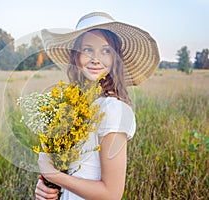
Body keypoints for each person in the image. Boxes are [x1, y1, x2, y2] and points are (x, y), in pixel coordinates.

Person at [35, 12, 160, 200]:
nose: (96, 58)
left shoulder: (113, 109)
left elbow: (111, 193)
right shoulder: (73, 106)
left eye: (106, 51)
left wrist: (55, 176)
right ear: (75, 57)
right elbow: (72, 169)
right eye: (87, 49)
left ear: (115, 58)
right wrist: (47, 187)